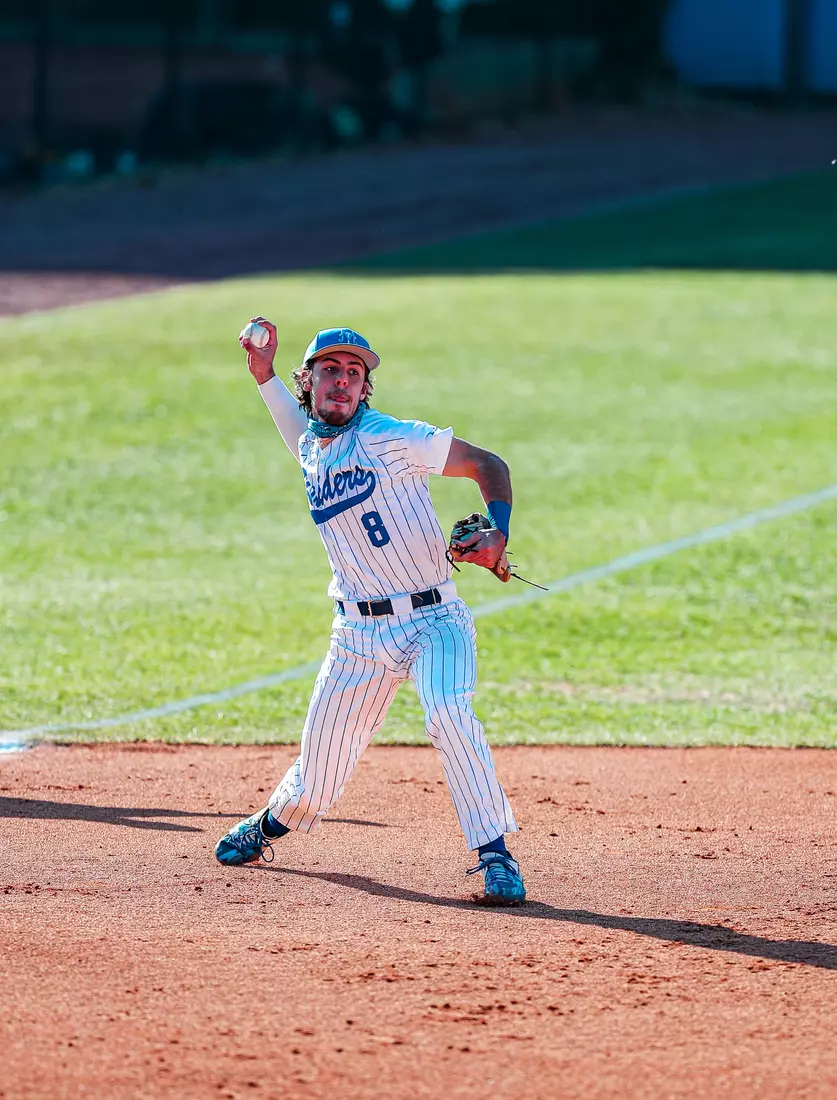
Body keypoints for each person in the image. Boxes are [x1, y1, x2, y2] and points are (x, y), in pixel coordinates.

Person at [215, 318, 526, 903]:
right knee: (322, 762)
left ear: (365, 388)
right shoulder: (310, 443)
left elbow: (490, 466)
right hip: (356, 633)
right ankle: (275, 822)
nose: (342, 381)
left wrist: (499, 536)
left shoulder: (393, 437)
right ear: (308, 381)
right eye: (330, 369)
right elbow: (292, 423)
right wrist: (262, 375)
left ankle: (495, 854)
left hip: (435, 621)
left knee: (447, 713)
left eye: (354, 373)